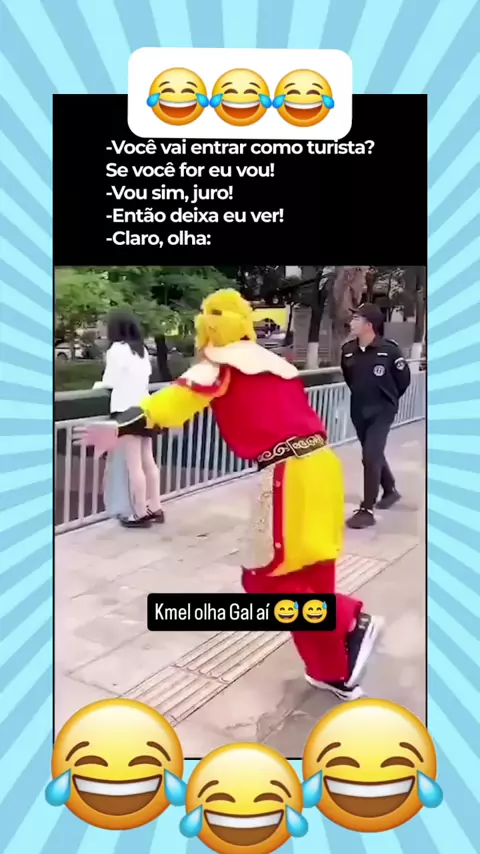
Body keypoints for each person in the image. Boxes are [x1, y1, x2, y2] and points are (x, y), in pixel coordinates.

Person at [81, 290, 383, 700]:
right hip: (324, 465)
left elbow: (170, 402)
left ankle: (347, 617)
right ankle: (332, 672)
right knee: (311, 576)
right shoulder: (277, 365)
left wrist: (119, 426)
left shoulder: (220, 365)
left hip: (288, 472)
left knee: (263, 580)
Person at [341, 303, 411, 530]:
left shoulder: (389, 350)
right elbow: (350, 378)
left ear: (369, 325)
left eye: (356, 319)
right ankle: (389, 490)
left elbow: (403, 380)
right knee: (373, 452)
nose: (351, 323)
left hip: (382, 410)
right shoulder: (348, 350)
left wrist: (388, 400)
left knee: (370, 456)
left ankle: (367, 509)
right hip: (359, 409)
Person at [94, 308, 164, 528]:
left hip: (126, 411)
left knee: (134, 465)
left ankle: (139, 513)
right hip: (146, 408)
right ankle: (156, 507)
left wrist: (98, 385)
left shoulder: (116, 349)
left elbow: (110, 380)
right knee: (148, 461)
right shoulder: (141, 350)